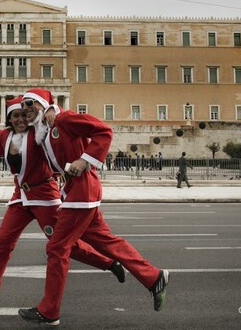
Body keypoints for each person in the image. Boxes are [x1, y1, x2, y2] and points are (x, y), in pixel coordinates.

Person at [17, 88, 168, 326]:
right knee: (106, 241)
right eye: (21, 107)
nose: (24, 110)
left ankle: (49, 311)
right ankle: (154, 277)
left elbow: (104, 131)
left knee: (57, 248)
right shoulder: (44, 132)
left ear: (42, 104)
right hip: (78, 194)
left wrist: (85, 160)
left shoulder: (64, 118)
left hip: (82, 193)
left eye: (28, 104)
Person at [0, 96, 125, 306]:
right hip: (20, 197)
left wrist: (52, 110)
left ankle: (110, 263)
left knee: (65, 244)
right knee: (2, 242)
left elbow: (58, 131)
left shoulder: (38, 134)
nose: (20, 119)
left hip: (44, 197)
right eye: (15, 116)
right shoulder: (5, 137)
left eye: (23, 115)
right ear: (9, 119)